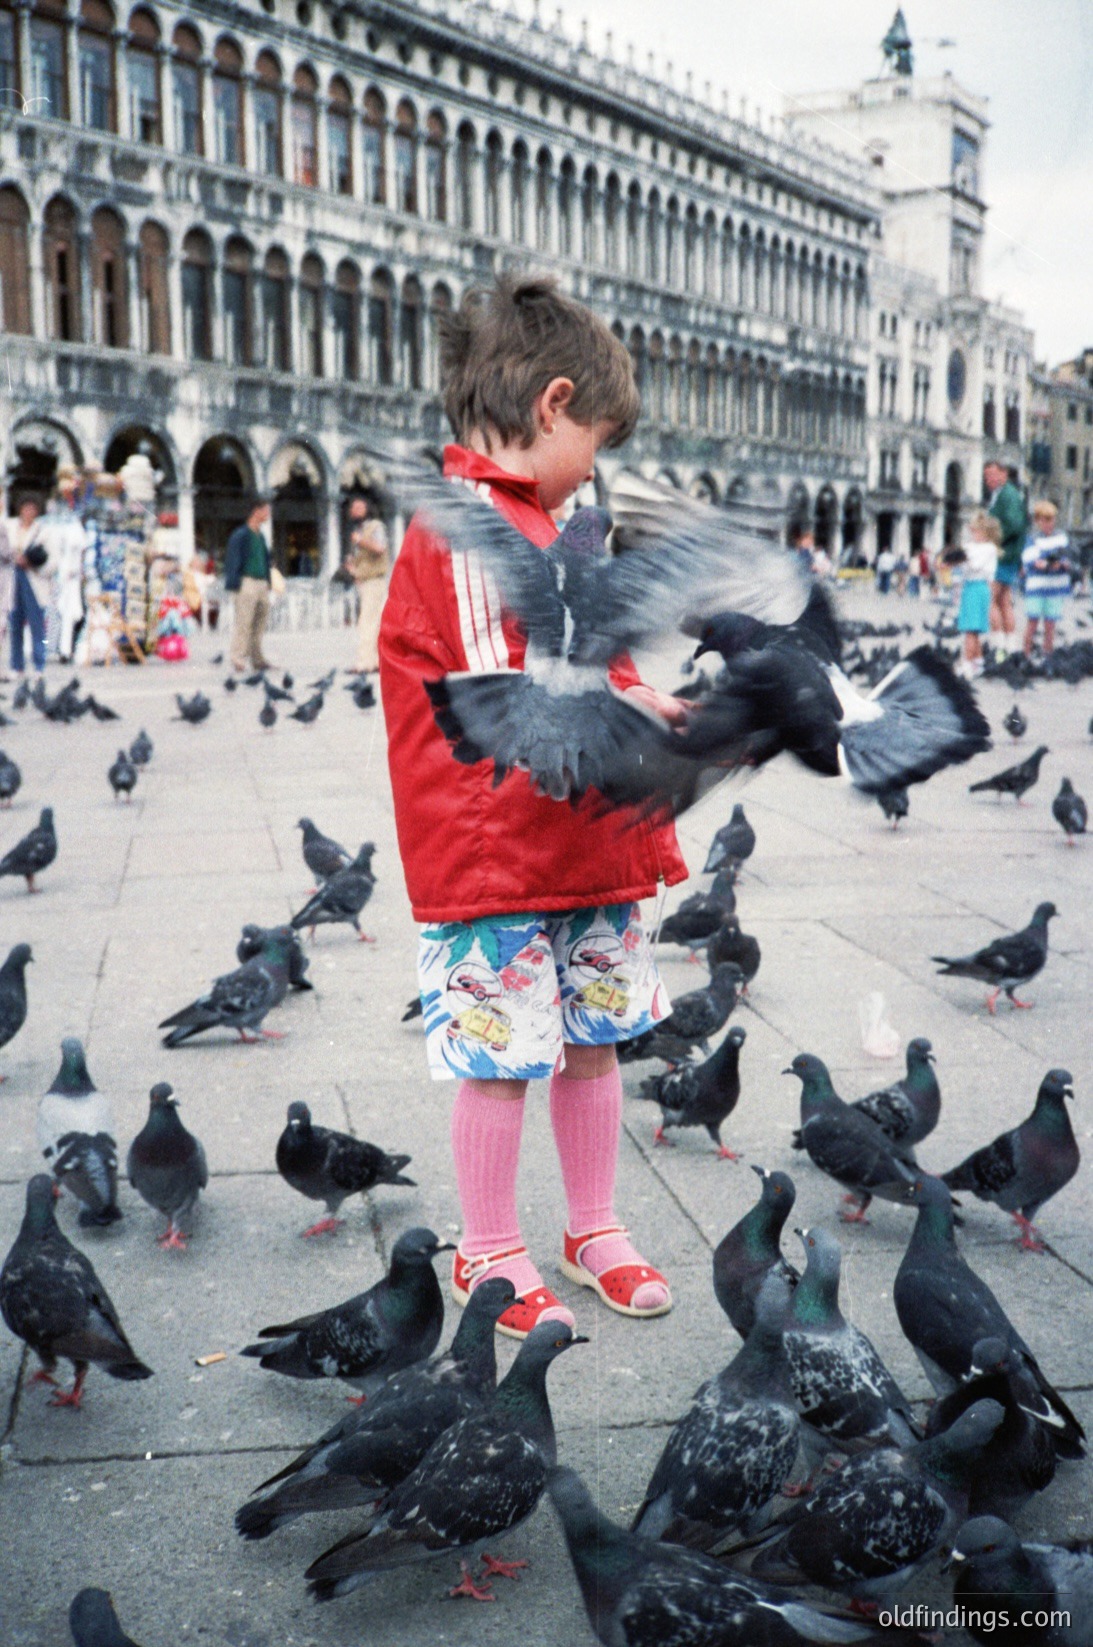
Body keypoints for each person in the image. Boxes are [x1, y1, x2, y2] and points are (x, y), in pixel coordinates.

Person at [378, 276, 688, 1341]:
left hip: (575, 839)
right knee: (501, 1052)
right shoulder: (466, 530)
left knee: (595, 1038)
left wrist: (645, 697)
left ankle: (591, 1225)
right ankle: (489, 1246)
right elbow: (504, 689)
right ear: (553, 405)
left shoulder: (548, 526)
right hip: (496, 849)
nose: (595, 469)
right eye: (595, 441)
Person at [0, 495, 52, 676]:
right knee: (15, 624)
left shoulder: (43, 531)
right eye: (25, 508)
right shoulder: (9, 526)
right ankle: (17, 665)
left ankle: (39, 665)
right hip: (14, 579)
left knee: (37, 625)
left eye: (32, 509)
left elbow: (52, 560)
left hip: (34, 579)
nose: (28, 512)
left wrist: (31, 564)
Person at [224, 497, 273, 671]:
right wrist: (234, 583)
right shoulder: (241, 535)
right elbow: (232, 559)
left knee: (260, 622)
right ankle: (238, 657)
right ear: (256, 511)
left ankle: (257, 658)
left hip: (261, 583)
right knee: (244, 621)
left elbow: (266, 560)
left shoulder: (261, 536)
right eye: (265, 510)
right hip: (247, 581)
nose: (268, 514)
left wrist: (268, 581)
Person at [985, 459, 1027, 656]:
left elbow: (1013, 525)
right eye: (986, 476)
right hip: (1010, 555)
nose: (988, 480)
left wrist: (992, 541)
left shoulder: (1007, 495)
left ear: (1004, 474)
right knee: (1004, 602)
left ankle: (998, 646)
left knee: (990, 600)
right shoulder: (1005, 494)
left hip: (1002, 555)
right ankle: (1011, 646)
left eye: (992, 475)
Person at [952, 510, 999, 678]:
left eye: (977, 530)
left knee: (971, 630)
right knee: (973, 629)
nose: (974, 534)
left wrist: (962, 558)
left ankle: (966, 665)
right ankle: (978, 663)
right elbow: (962, 569)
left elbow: (976, 565)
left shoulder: (990, 548)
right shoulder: (968, 547)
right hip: (968, 587)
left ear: (986, 532)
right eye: (972, 530)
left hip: (980, 587)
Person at [1022, 500, 1072, 657]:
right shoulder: (1032, 539)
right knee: (1032, 622)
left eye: (1051, 519)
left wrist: (1062, 564)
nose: (1049, 523)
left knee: (1050, 624)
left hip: (1055, 587)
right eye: (1045, 520)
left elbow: (1069, 559)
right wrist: (1039, 564)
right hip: (1037, 587)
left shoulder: (1062, 538)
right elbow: (1028, 560)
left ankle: (1047, 656)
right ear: (1038, 521)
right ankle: (1026, 655)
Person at [347, 497, 390, 674]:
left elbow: (380, 548)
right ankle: (374, 662)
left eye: (359, 507)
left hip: (374, 581)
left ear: (367, 508)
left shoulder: (375, 527)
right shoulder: (359, 529)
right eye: (353, 507)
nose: (355, 510)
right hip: (364, 581)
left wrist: (359, 541)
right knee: (374, 622)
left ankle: (364, 664)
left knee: (367, 622)